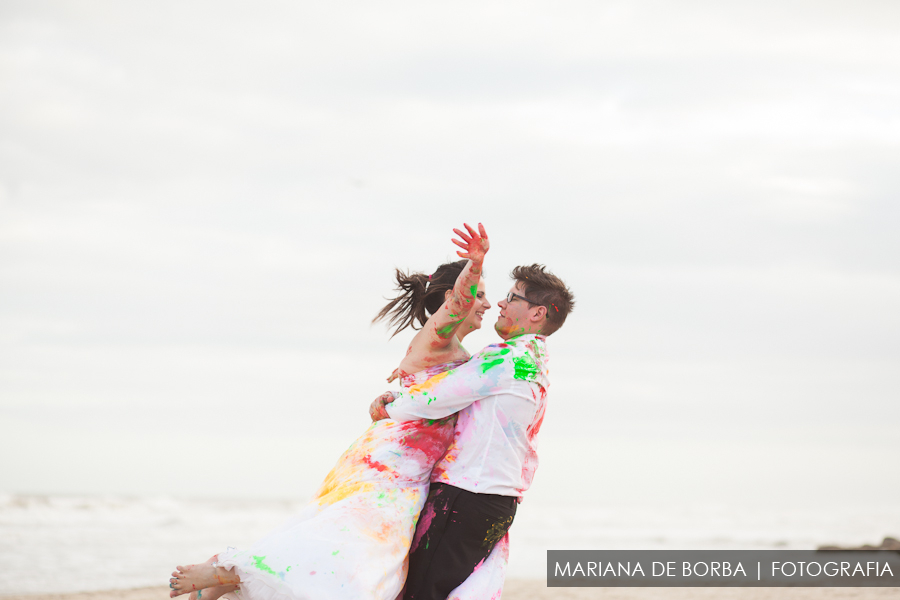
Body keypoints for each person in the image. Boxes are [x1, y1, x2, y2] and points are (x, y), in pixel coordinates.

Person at [168, 223, 499, 600]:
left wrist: (392, 396)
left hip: (402, 460)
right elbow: (458, 304)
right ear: (452, 297)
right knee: (360, 550)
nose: (486, 303)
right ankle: (226, 570)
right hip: (395, 462)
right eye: (480, 294)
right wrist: (476, 263)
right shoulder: (438, 336)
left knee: (347, 540)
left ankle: (217, 583)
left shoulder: (454, 351)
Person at [370, 263, 575, 600]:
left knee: (423, 592)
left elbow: (432, 400)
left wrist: (385, 408)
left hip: (466, 496)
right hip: (497, 500)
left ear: (537, 313)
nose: (500, 304)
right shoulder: (535, 362)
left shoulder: (505, 360)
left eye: (512, 298)